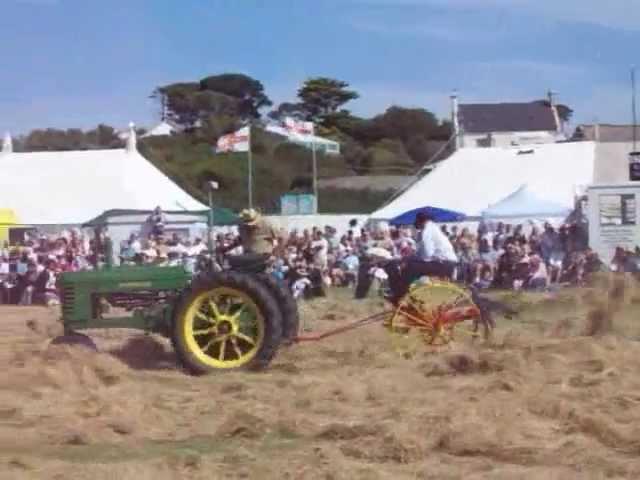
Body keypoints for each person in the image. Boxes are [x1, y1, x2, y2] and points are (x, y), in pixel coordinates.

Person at [384, 211, 458, 305]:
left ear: (421, 221)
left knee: (412, 267)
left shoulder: (427, 230)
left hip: (444, 264)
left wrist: (409, 260)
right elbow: (421, 253)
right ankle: (402, 293)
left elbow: (427, 254)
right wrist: (407, 258)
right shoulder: (431, 229)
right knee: (410, 264)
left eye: (416, 221)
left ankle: (399, 294)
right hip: (447, 264)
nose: (415, 224)